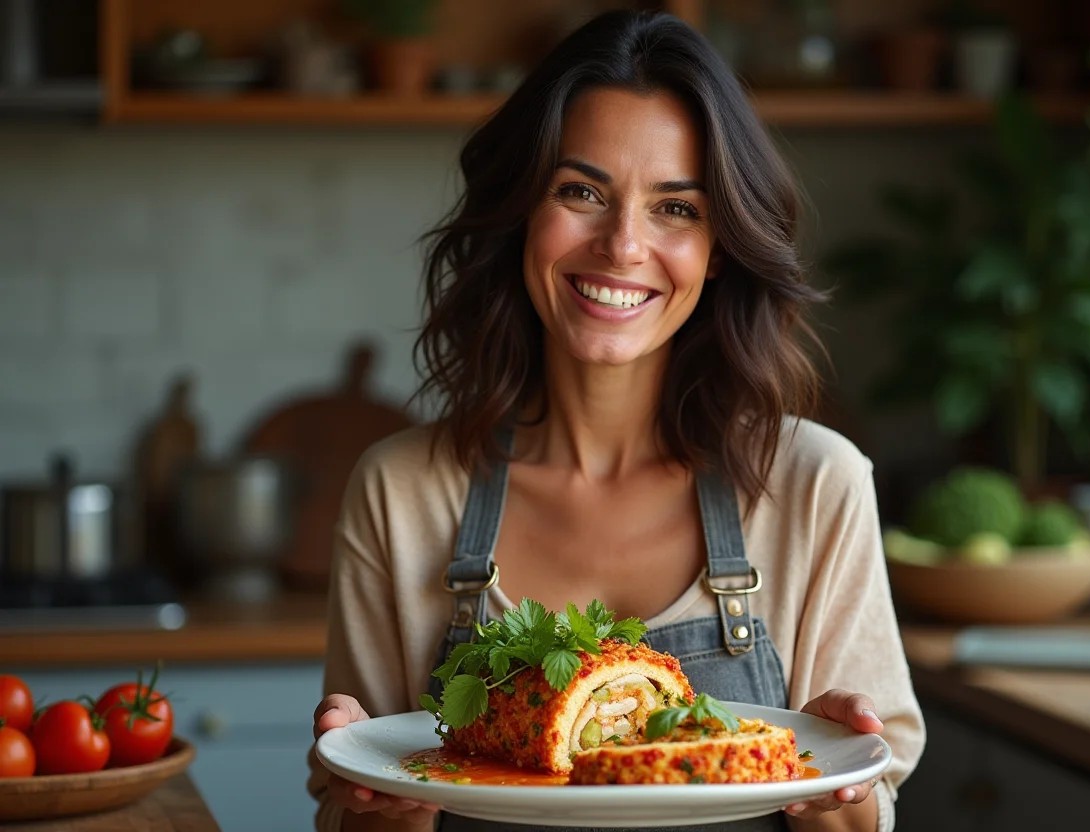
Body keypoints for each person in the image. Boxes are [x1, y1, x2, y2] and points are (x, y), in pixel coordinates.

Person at [307, 9, 925, 832]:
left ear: (720, 247)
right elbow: (361, 814)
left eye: (676, 208)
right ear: (521, 209)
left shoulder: (815, 485)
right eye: (581, 192)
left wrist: (838, 792)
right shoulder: (402, 490)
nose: (623, 246)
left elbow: (864, 813)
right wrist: (377, 803)